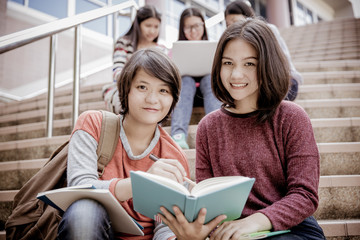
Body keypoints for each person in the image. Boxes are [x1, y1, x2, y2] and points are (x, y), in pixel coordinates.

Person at [158, 19, 325, 240]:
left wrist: (255, 221)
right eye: (228, 63)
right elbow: (209, 200)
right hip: (232, 233)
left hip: (291, 230)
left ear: (267, 65)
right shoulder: (208, 127)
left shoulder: (292, 117)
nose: (236, 75)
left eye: (249, 64)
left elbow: (305, 196)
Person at [58, 49, 191, 240]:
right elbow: (80, 188)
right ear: (126, 89)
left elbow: (165, 229)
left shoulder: (173, 155)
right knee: (84, 211)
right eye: (142, 87)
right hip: (95, 230)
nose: (152, 99)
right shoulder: (93, 124)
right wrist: (143, 183)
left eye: (163, 90)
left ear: (173, 99)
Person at [224, 0, 302, 101]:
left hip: (283, 80)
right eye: (228, 24)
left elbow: (283, 62)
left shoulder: (268, 29)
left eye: (234, 21)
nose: (232, 27)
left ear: (246, 16)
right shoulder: (233, 43)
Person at [170, 7, 221, 149]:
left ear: (204, 26)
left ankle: (216, 134)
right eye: (188, 27)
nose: (193, 31)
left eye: (197, 26)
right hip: (183, 95)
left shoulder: (214, 48)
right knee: (186, 80)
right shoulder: (174, 50)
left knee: (209, 78)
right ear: (182, 29)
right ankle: (178, 135)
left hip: (209, 93)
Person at [103, 5, 167, 114]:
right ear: (138, 24)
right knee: (125, 105)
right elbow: (117, 70)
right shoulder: (124, 43)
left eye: (156, 27)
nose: (152, 30)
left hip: (153, 90)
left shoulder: (161, 50)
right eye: (148, 25)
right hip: (124, 87)